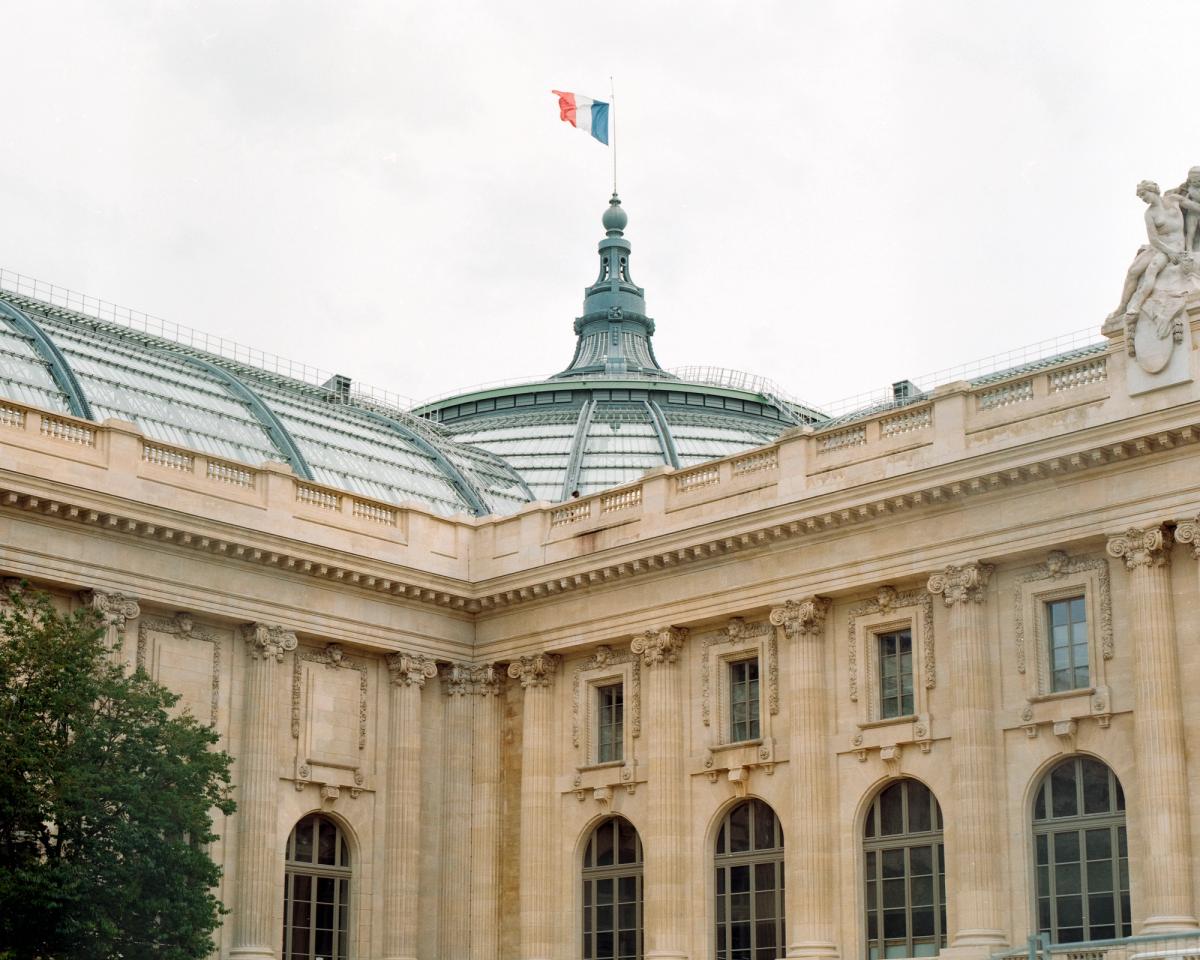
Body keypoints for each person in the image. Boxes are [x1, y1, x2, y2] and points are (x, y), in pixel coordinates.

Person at [1106, 180, 1200, 326]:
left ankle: (1136, 305)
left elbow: (1194, 206)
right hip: (1160, 247)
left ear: (1153, 190)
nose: (1144, 199)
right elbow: (1154, 239)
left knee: (1152, 269)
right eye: (1141, 197)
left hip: (1175, 247)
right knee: (1133, 271)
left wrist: (1173, 252)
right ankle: (1122, 307)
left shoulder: (1173, 199)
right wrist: (1169, 252)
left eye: (1144, 194)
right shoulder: (1149, 214)